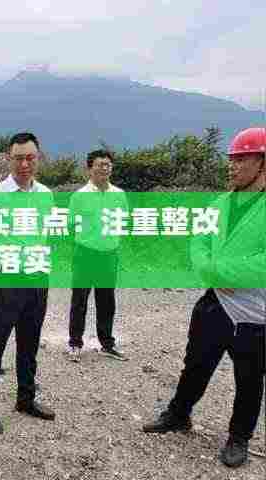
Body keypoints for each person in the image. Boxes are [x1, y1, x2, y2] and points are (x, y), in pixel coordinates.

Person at [142, 127, 266, 469]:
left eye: (242, 160)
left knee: (249, 378)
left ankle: (239, 437)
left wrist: (221, 271)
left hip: (254, 311)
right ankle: (178, 414)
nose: (233, 166)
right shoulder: (220, 204)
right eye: (232, 159)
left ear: (262, 163)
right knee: (195, 364)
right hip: (214, 302)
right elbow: (198, 242)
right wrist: (208, 271)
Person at [0, 132, 56, 434]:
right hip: (6, 279)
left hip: (37, 279)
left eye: (30, 158)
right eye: (19, 158)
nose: (24, 164)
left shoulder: (46, 194)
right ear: (8, 159)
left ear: (38, 158)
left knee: (29, 344)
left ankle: (26, 399)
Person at [66, 149, 128, 362]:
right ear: (89, 169)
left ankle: (107, 344)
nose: (104, 168)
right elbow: (71, 226)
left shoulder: (119, 195)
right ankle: (75, 343)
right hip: (84, 253)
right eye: (100, 164)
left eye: (108, 164)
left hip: (109, 254)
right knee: (79, 300)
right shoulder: (79, 196)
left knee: (107, 301)